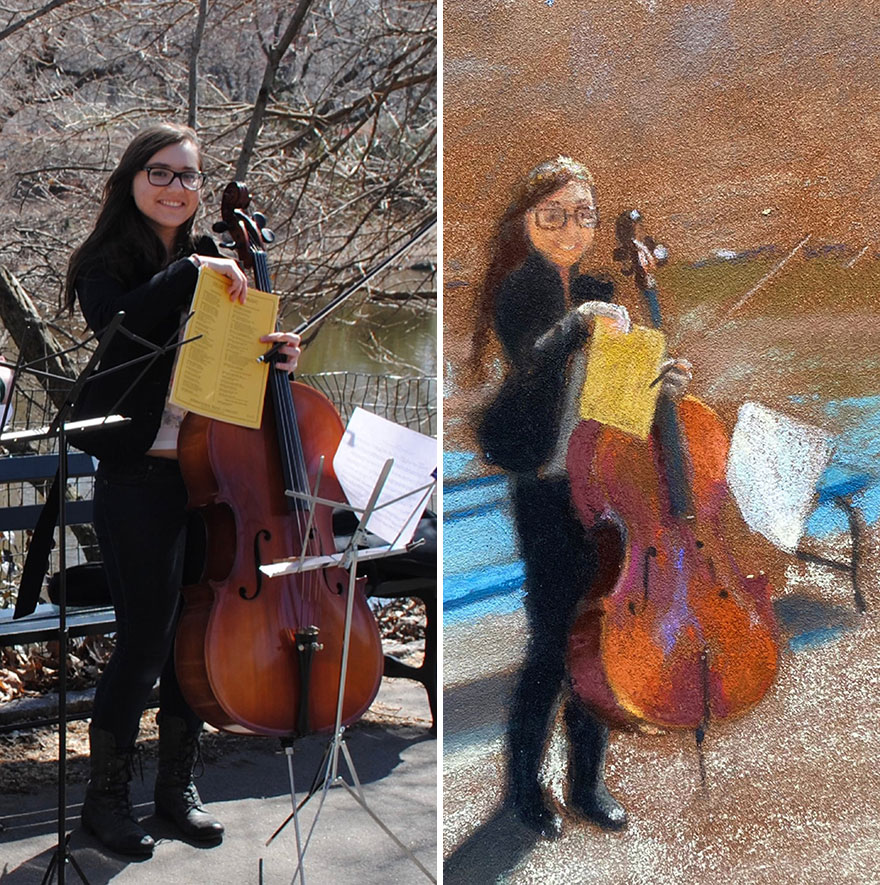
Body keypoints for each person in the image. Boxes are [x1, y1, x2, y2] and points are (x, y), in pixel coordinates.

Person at [64, 123, 301, 857]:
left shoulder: (225, 271)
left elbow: (235, 376)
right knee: (143, 640)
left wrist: (279, 359)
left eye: (188, 176)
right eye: (160, 173)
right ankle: (105, 803)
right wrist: (196, 268)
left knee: (192, 637)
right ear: (132, 180)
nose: (176, 188)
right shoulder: (105, 263)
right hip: (139, 477)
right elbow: (119, 323)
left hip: (215, 477)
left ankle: (176, 789)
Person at [470, 156, 691, 839]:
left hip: (601, 484)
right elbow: (534, 358)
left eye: (583, 215)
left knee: (599, 632)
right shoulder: (519, 288)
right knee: (548, 644)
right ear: (528, 221)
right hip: (544, 484)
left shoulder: (598, 287)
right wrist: (581, 322)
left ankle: (587, 782)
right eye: (555, 214)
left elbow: (614, 401)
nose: (572, 228)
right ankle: (524, 789)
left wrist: (662, 384)